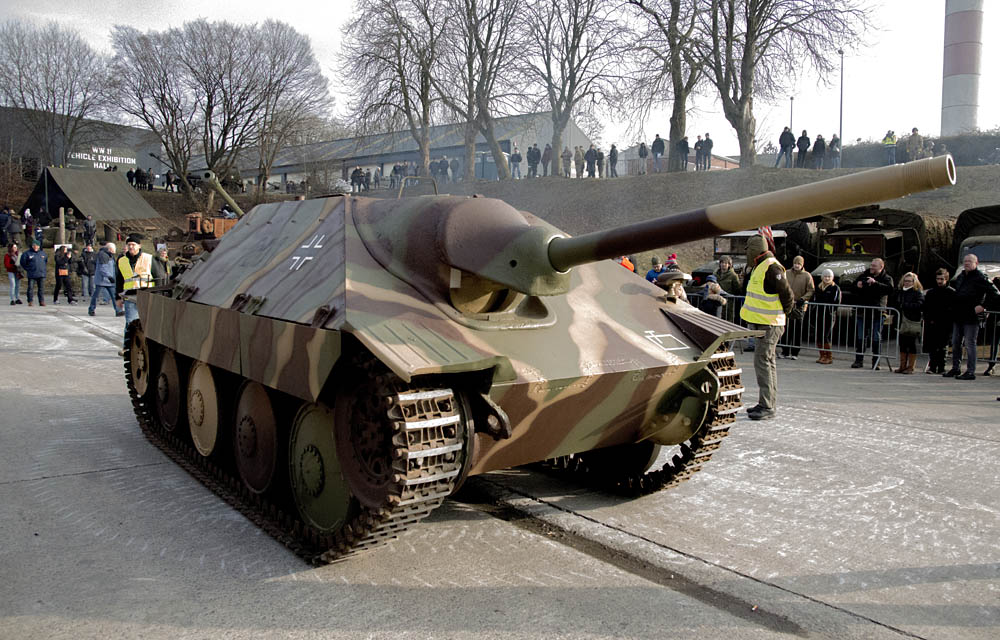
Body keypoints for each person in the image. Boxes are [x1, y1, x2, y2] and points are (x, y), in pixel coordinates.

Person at [740, 234, 795, 420]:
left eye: (749, 250)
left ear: (755, 250)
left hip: (770, 324)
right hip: (766, 323)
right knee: (766, 362)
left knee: (764, 362)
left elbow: (787, 293)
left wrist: (784, 313)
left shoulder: (771, 267)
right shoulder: (762, 266)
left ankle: (767, 405)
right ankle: (766, 402)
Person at [943, 254, 1000, 380]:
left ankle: (970, 371)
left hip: (971, 316)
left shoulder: (980, 277)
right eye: (965, 261)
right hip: (958, 314)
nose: (967, 263)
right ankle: (955, 368)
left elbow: (995, 293)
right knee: (956, 343)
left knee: (970, 343)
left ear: (976, 263)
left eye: (970, 261)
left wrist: (984, 306)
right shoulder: (961, 276)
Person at [116, 234, 164, 353]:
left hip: (147, 294)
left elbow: (158, 277)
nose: (131, 247)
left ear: (139, 246)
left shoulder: (148, 258)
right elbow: (119, 279)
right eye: (129, 245)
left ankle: (151, 347)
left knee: (148, 323)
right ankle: (128, 348)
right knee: (130, 323)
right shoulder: (122, 260)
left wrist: (157, 295)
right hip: (130, 296)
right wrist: (117, 297)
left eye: (133, 245)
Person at [851, 258, 894, 369]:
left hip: (877, 313)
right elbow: (853, 288)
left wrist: (875, 283)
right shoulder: (863, 275)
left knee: (876, 338)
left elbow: (890, 290)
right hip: (862, 311)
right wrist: (857, 285)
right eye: (871, 265)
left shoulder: (887, 278)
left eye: (874, 266)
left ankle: (876, 362)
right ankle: (858, 360)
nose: (871, 267)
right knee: (860, 337)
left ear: (881, 267)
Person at [780, 256, 814, 359]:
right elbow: (782, 286)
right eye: (795, 263)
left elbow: (811, 290)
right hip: (788, 304)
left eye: (799, 264)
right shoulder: (786, 273)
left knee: (797, 330)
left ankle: (795, 352)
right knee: (785, 329)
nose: (797, 265)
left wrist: (803, 299)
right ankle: (784, 351)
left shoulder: (807, 276)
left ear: (802, 265)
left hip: (799, 306)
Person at [922, 268, 954, 374]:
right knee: (932, 346)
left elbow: (952, 309)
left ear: (946, 279)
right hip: (932, 322)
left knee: (943, 346)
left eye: (941, 279)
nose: (939, 281)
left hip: (945, 323)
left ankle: (941, 367)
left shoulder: (951, 292)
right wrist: (928, 319)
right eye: (938, 278)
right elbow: (926, 307)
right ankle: (932, 366)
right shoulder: (931, 292)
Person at [893, 272, 924, 374]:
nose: (906, 283)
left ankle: (910, 367)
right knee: (902, 343)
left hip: (911, 321)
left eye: (909, 281)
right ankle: (902, 365)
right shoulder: (900, 292)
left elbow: (920, 305)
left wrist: (905, 305)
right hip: (901, 320)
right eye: (905, 281)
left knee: (911, 344)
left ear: (914, 282)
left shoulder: (917, 292)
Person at [812, 269, 841, 364]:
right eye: (825, 276)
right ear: (822, 277)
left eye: (829, 276)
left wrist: (830, 310)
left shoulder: (835, 288)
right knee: (819, 335)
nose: (827, 278)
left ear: (832, 278)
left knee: (826, 335)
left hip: (829, 315)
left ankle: (829, 356)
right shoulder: (819, 287)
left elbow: (836, 302)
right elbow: (815, 299)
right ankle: (822, 355)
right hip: (819, 313)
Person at [89, 242, 121, 317]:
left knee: (114, 296)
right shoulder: (103, 255)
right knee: (96, 295)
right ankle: (91, 309)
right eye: (114, 249)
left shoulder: (110, 255)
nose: (115, 250)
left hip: (109, 280)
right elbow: (103, 268)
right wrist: (109, 277)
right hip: (102, 280)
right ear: (110, 249)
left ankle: (118, 310)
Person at [19, 239, 47, 306]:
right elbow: (23, 262)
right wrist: (28, 269)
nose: (35, 247)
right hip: (32, 274)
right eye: (34, 245)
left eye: (37, 246)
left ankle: (41, 301)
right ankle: (30, 301)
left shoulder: (43, 253)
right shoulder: (27, 253)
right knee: (30, 288)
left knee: (41, 289)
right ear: (32, 246)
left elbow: (45, 261)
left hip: (41, 274)